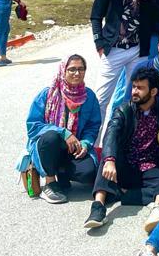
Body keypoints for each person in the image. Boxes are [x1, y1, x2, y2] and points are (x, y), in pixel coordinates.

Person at [86, 65, 159, 231]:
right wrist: (109, 160)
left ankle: (146, 203)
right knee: (109, 157)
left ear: (154, 91)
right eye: (134, 86)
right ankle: (98, 206)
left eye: (140, 88)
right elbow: (111, 133)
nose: (134, 91)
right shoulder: (124, 109)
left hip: (150, 166)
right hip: (125, 165)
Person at [90, 0, 159, 126]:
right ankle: (93, 145)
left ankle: (124, 144)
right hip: (112, 49)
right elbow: (96, 15)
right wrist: (99, 42)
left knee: (135, 99)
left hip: (138, 50)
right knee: (100, 99)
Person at [17, 54, 100, 204]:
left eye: (81, 69)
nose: (77, 73)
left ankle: (61, 173)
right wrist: (64, 132)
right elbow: (33, 126)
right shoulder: (48, 95)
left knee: (88, 172)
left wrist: (86, 144)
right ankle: (50, 182)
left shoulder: (89, 97)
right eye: (72, 69)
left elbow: (92, 127)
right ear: (63, 71)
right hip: (49, 146)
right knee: (51, 137)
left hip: (74, 148)